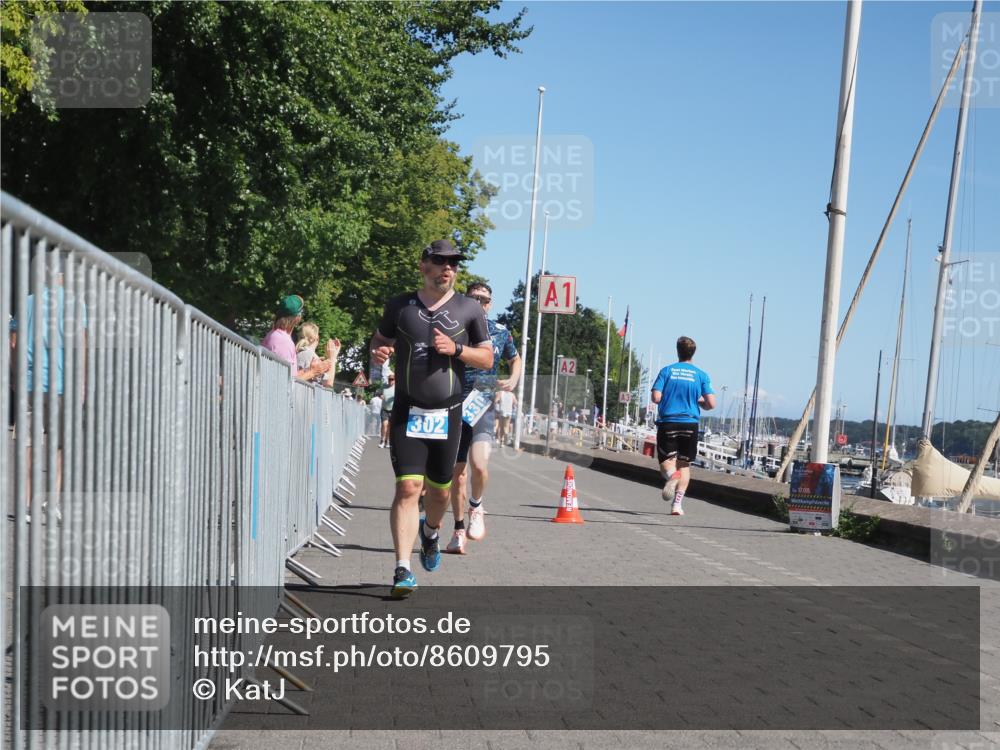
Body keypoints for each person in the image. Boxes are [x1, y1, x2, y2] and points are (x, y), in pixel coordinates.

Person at [369, 239, 492, 597]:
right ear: (424, 265)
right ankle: (403, 569)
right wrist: (377, 352)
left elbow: (486, 358)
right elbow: (380, 340)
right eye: (439, 261)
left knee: (439, 492)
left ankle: (432, 532)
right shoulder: (400, 306)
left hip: (448, 413)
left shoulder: (470, 309)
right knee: (408, 487)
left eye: (453, 262)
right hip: (408, 410)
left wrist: (456, 349)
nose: (447, 268)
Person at [445, 282, 520, 554]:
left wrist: (513, 378)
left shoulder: (500, 331)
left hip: (483, 400)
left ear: (490, 304)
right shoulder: (454, 327)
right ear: (467, 299)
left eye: (485, 300)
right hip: (454, 400)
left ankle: (476, 507)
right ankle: (457, 529)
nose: (480, 303)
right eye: (475, 298)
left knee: (479, 466)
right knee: (458, 475)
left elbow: (515, 358)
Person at [650, 336, 716, 516]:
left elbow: (656, 397)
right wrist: (699, 402)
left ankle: (672, 477)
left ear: (677, 351)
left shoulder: (667, 371)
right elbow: (711, 403)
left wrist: (669, 397)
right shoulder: (701, 375)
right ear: (693, 353)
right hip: (690, 424)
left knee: (666, 463)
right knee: (684, 465)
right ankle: (677, 505)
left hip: (668, 422)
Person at [261, 296, 331, 382]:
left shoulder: (275, 335)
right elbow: (286, 382)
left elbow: (287, 375)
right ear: (297, 318)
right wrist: (313, 372)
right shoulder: (283, 341)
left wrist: (309, 370)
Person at [379, 373, 395, 449]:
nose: (390, 381)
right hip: (384, 409)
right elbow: (378, 392)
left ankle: (387, 441)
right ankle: (382, 440)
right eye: (389, 379)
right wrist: (380, 395)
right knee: (384, 425)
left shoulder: (396, 388)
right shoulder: (384, 386)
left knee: (389, 426)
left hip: (392, 409)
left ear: (395, 380)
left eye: (392, 379)